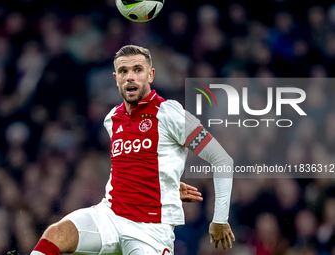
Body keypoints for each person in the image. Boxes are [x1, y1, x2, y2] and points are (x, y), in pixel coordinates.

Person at [30, 45, 235, 255]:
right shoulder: (112, 119)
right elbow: (130, 166)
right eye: (123, 71)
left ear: (151, 75)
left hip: (151, 228)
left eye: (137, 69)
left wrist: (219, 219)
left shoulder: (171, 113)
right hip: (110, 215)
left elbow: (222, 160)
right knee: (56, 234)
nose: (130, 77)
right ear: (116, 78)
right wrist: (166, 184)